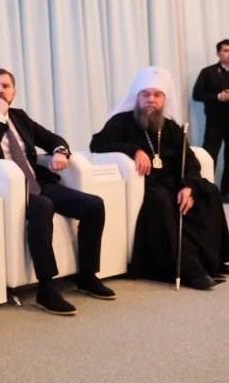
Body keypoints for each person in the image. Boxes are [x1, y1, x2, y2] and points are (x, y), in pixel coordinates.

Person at [0, 68, 115, 316]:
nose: (0, 90)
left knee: (94, 205)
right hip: (7, 192)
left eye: (5, 86)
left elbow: (53, 139)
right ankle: (46, 288)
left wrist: (60, 152)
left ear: (13, 93)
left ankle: (87, 276)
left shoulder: (20, 117)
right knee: (43, 205)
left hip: (37, 184)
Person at [91, 66, 229, 289]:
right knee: (162, 202)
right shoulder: (121, 121)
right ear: (137, 97)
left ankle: (214, 262)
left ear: (164, 99)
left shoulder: (172, 127)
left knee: (209, 191)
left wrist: (189, 187)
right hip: (147, 184)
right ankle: (189, 271)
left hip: (175, 183)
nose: (151, 100)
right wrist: (133, 150)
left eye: (157, 95)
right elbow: (98, 143)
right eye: (145, 95)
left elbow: (189, 161)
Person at [193, 39, 229, 200]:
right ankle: (205, 192)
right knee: (209, 155)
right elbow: (197, 94)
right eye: (226, 50)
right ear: (218, 53)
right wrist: (218, 96)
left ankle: (226, 192)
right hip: (215, 121)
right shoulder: (208, 72)